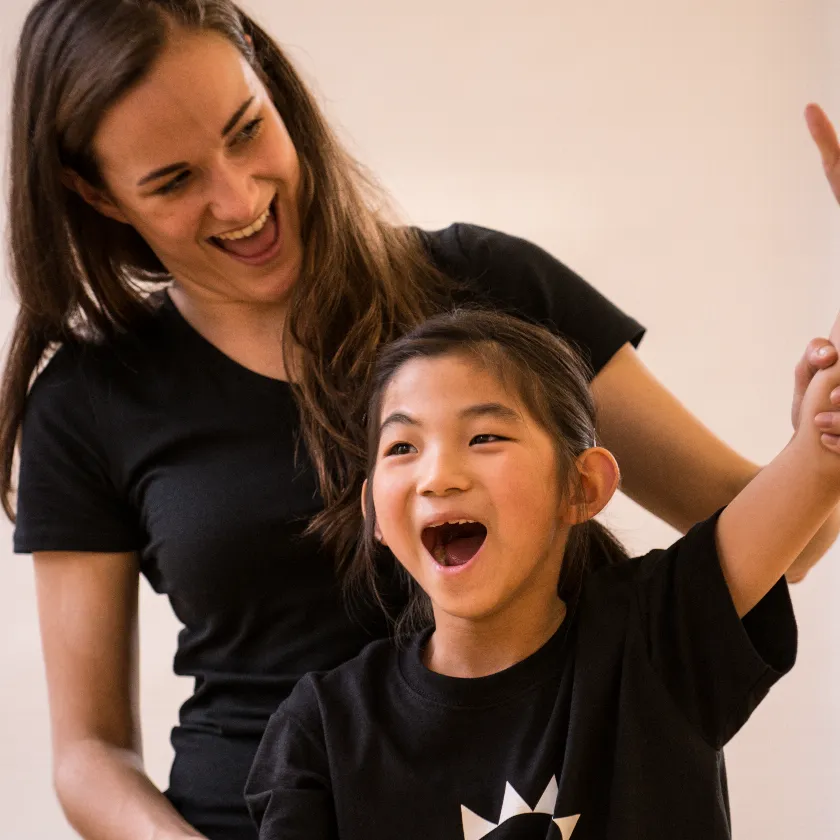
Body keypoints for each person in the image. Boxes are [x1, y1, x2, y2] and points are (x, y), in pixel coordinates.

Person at [3, 1, 839, 838]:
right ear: (96, 193)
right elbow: (89, 753)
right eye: (173, 181)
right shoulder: (85, 403)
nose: (238, 195)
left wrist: (819, 434)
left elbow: (779, 547)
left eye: (246, 129)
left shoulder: (491, 293)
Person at [246, 307, 840, 840]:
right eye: (403, 447)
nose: (438, 476)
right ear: (374, 511)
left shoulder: (657, 633)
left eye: (484, 436)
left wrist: (824, 418)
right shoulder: (321, 726)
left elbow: (822, 451)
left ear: (582, 488)